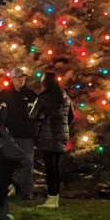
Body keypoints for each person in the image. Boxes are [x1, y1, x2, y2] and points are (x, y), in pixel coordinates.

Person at [0, 69, 39, 200]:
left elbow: (37, 114)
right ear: (12, 79)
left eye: (23, 77)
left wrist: (35, 132)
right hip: (9, 135)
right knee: (8, 163)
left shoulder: (31, 95)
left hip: (26, 135)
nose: (21, 80)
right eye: (18, 78)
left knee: (28, 163)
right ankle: (7, 188)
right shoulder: (4, 95)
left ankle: (26, 192)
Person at [30, 71, 73, 208]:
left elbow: (33, 116)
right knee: (56, 167)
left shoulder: (44, 97)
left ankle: (52, 198)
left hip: (48, 137)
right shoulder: (64, 96)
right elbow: (71, 115)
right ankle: (56, 197)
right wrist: (64, 127)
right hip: (61, 136)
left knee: (50, 168)